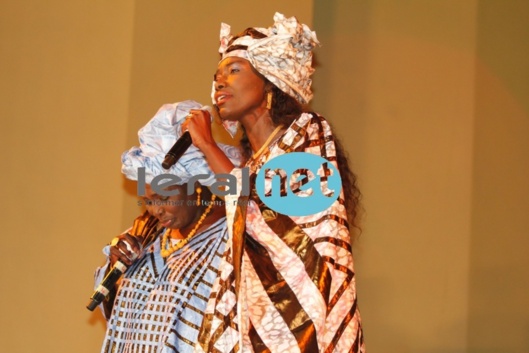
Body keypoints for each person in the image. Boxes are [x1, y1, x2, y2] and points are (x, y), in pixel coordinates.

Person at [183, 12, 365, 353]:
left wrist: (207, 145)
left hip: (302, 317)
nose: (220, 82)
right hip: (254, 317)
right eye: (216, 76)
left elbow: (266, 202)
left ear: (269, 80)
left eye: (233, 70)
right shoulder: (249, 162)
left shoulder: (308, 131)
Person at [92, 100, 243, 352]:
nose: (156, 209)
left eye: (164, 198)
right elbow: (116, 315)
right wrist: (115, 266)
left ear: (196, 186)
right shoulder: (147, 234)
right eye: (149, 200)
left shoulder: (229, 236)